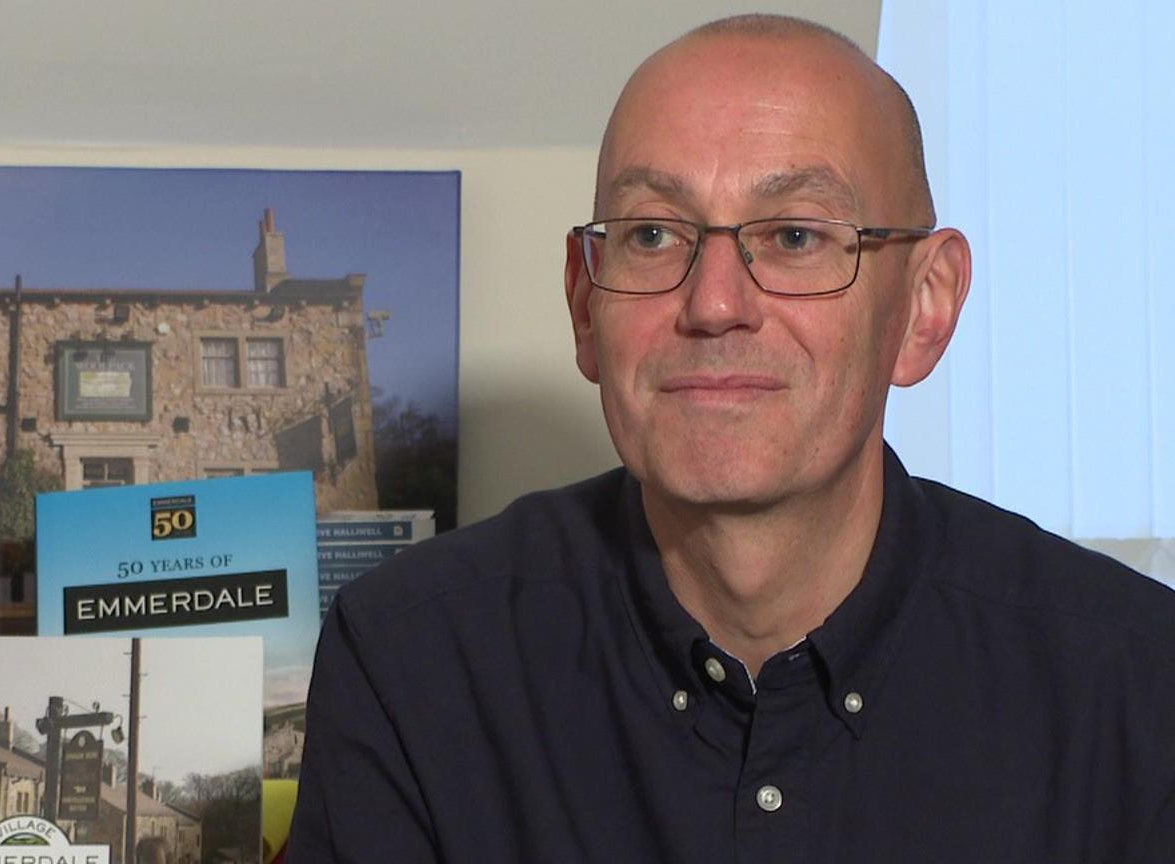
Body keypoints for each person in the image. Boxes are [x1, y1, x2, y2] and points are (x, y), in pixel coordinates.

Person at [290, 13, 1175, 863]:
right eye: (651, 234)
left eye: (794, 236)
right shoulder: (413, 662)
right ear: (584, 304)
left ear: (925, 308)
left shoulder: (1135, 688)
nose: (714, 304)